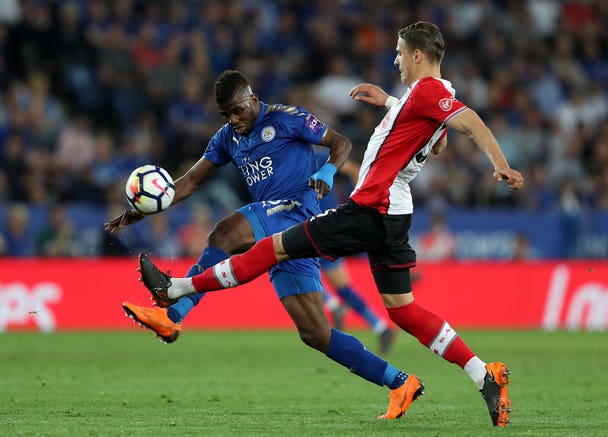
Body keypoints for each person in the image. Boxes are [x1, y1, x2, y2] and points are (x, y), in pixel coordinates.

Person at [136, 22, 524, 427]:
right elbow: (436, 140)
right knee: (402, 311)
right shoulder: (424, 97)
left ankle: (177, 290)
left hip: (372, 206)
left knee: (270, 248)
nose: (395, 59)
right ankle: (483, 373)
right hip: (395, 211)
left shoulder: (430, 92)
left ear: (417, 56)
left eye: (398, 52)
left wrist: (500, 165)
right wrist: (389, 101)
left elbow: (471, 123)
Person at [106, 70, 424, 420]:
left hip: (296, 213)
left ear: (253, 99)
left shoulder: (288, 118)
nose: (233, 119)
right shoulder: (227, 137)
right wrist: (148, 208)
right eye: (225, 114)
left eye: (238, 110)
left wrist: (328, 172)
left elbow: (341, 144)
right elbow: (193, 180)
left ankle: (173, 313)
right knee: (316, 334)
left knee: (224, 234)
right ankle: (400, 382)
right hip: (279, 236)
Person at [316, 156, 396, 354]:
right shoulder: (321, 157)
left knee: (289, 263)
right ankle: (380, 327)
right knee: (343, 288)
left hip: (317, 227)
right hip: (332, 227)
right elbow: (355, 171)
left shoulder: (311, 158)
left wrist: (358, 201)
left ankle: (333, 305)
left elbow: (354, 171)